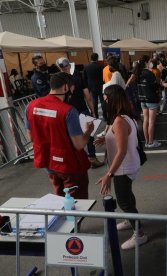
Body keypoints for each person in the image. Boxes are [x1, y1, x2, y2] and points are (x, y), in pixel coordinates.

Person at [95, 84, 148, 250]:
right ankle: (130, 220)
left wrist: (108, 175)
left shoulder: (119, 121)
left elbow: (122, 151)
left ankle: (139, 234)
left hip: (123, 167)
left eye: (105, 99)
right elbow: (120, 138)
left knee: (124, 201)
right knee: (127, 197)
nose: (103, 102)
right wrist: (106, 139)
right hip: (125, 166)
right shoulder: (122, 117)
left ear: (112, 100)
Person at [26, 72, 93, 199]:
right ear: (66, 87)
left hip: (48, 162)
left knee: (61, 198)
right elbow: (79, 144)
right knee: (76, 203)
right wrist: (89, 130)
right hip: (69, 165)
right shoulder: (68, 111)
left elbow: (31, 137)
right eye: (72, 87)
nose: (73, 90)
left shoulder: (31, 106)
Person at [56, 57, 104, 169]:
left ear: (59, 67)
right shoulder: (77, 79)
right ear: (69, 66)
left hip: (66, 113)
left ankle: (76, 160)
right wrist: (93, 111)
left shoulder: (57, 82)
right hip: (82, 110)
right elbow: (88, 96)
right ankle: (92, 158)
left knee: (71, 136)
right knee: (89, 134)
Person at [135, 55, 161, 148]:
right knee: (151, 121)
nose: (151, 63)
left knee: (145, 120)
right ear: (146, 62)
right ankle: (151, 142)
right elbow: (155, 86)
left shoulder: (138, 73)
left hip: (142, 99)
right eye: (150, 61)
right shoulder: (149, 73)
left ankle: (146, 141)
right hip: (151, 99)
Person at [83, 53, 107, 121]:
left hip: (91, 87)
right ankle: (105, 116)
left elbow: (84, 78)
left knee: (94, 101)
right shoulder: (102, 67)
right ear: (97, 58)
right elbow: (104, 77)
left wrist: (87, 87)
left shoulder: (86, 67)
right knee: (103, 101)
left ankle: (95, 115)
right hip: (101, 86)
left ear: (91, 58)